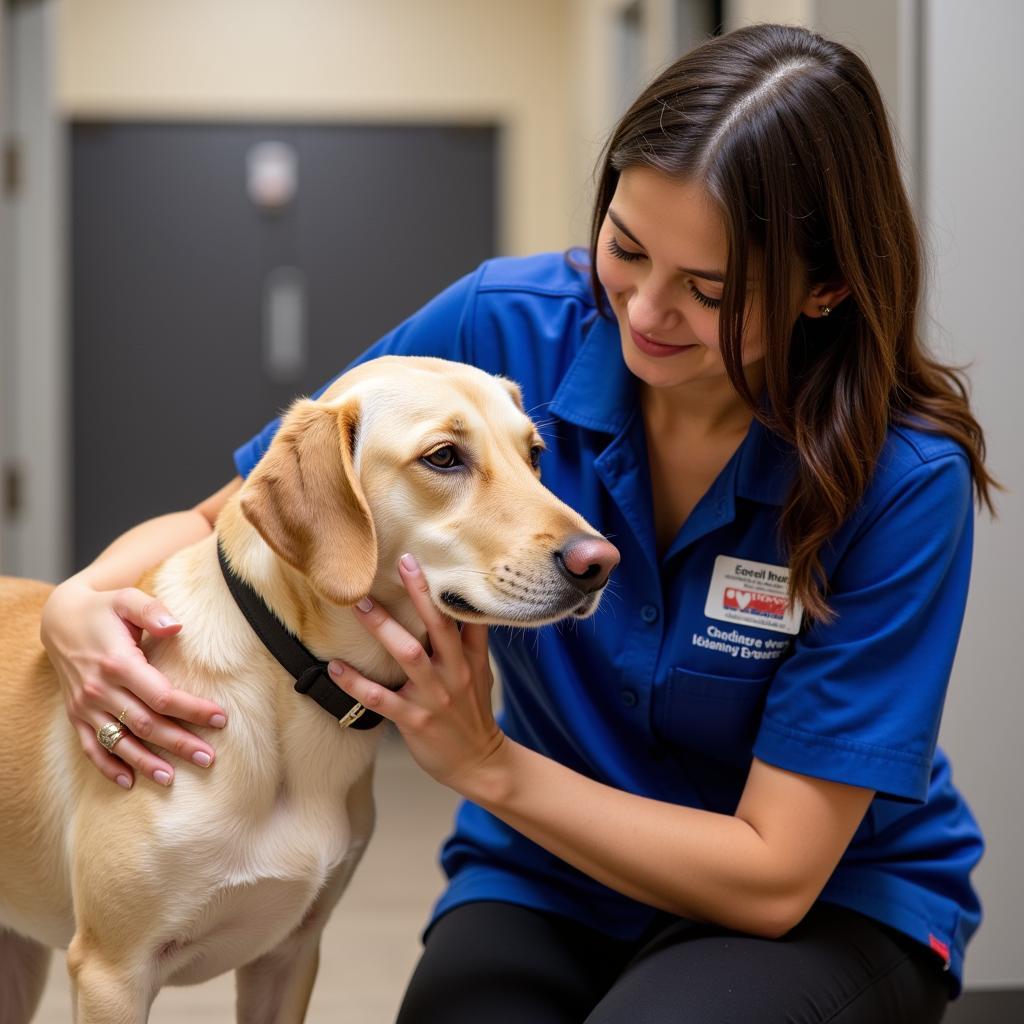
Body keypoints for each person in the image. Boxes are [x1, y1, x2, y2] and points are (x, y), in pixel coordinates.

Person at [41, 23, 996, 1023]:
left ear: (826, 289)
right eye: (625, 248)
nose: (645, 312)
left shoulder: (899, 480)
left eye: (708, 290)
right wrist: (82, 600)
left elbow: (774, 874)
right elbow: (230, 511)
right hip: (556, 872)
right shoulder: (507, 323)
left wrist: (485, 762)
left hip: (822, 904)